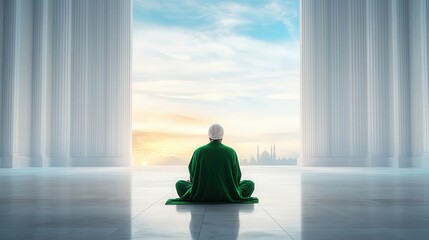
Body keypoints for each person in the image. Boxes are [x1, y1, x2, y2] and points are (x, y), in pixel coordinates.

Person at [166, 123, 258, 204]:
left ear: (209, 137)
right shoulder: (231, 152)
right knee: (249, 184)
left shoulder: (198, 151)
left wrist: (193, 181)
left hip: (200, 193)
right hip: (228, 193)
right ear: (222, 137)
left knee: (180, 184)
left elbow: (192, 172)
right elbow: (237, 175)